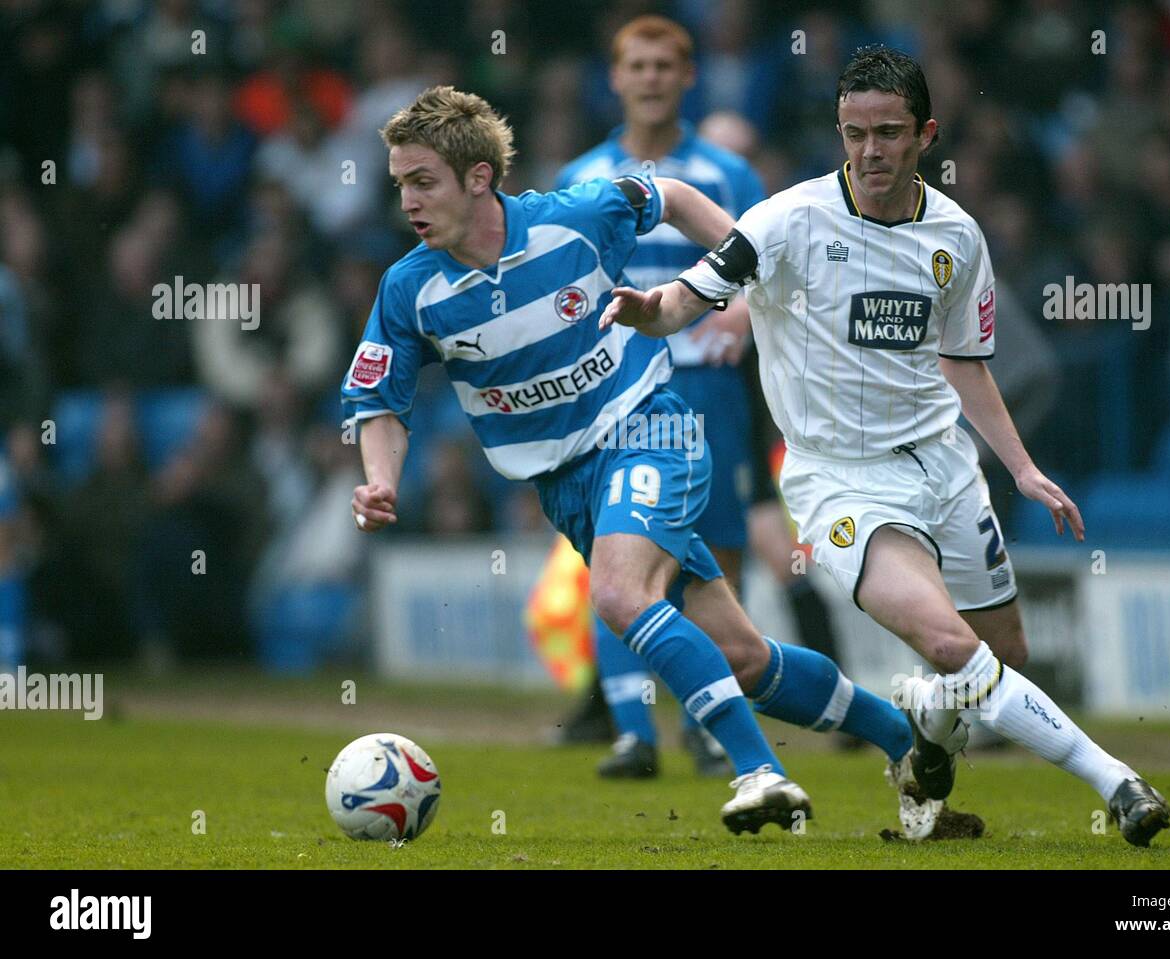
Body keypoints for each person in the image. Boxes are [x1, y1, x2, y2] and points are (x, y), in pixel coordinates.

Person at [599, 47, 1170, 847]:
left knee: (1001, 654)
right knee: (951, 644)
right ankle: (1119, 783)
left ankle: (929, 727)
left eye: (889, 133)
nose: (870, 151)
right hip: (840, 483)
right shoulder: (787, 221)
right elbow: (683, 300)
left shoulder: (956, 236)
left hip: (945, 467)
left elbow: (965, 362)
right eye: (854, 132)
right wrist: (646, 307)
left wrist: (1022, 467)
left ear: (926, 135)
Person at [343, 85, 946, 836]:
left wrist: (748, 279)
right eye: (400, 182)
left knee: (621, 596)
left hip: (648, 429)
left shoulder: (572, 218)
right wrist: (380, 479)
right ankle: (907, 741)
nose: (408, 200)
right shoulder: (410, 289)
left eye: (422, 180)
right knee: (745, 657)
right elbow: (379, 403)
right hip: (568, 489)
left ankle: (760, 773)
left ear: (478, 178)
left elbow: (675, 196)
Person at [552, 15, 762, 779]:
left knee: (720, 553)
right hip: (614, 393)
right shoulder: (580, 174)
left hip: (708, 384)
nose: (649, 77)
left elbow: (762, 260)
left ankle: (707, 724)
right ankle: (634, 729)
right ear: (614, 77)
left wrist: (737, 312)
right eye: (636, 64)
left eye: (664, 64)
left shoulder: (728, 172)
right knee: (617, 552)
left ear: (688, 76)